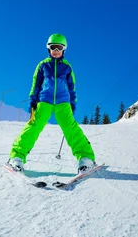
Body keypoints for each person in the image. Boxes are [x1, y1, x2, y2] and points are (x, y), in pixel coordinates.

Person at [8, 33, 96, 174]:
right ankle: (17, 157)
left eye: (59, 48)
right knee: (34, 126)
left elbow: (72, 86)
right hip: (45, 100)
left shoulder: (67, 67)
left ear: (64, 50)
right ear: (49, 49)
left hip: (63, 101)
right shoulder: (43, 65)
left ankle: (86, 158)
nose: (56, 51)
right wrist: (33, 99)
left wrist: (73, 102)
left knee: (70, 128)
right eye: (53, 48)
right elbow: (36, 83)